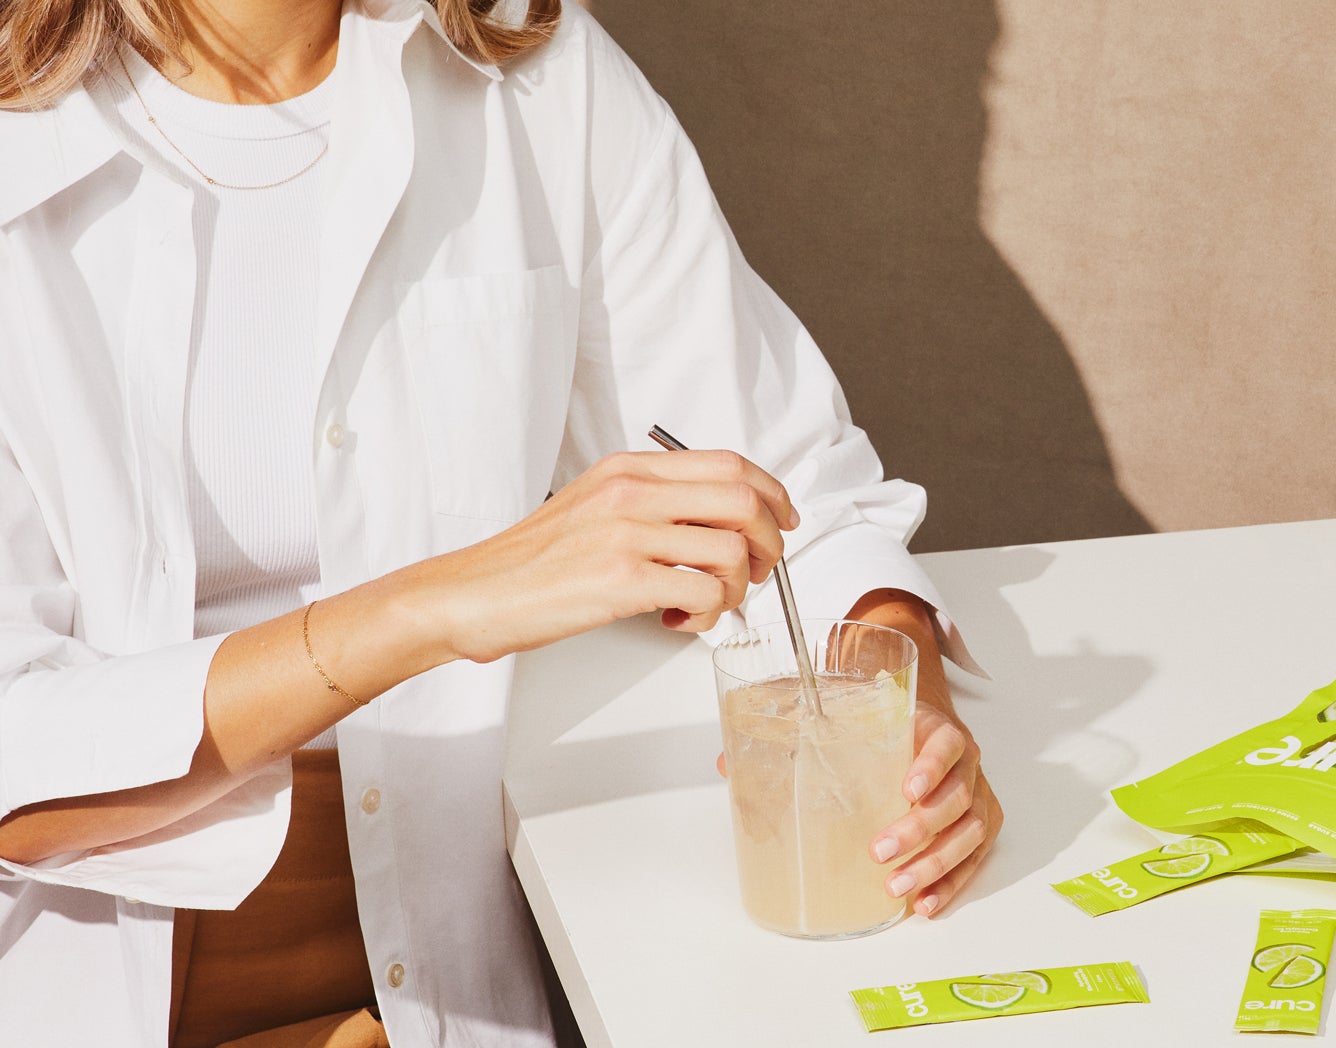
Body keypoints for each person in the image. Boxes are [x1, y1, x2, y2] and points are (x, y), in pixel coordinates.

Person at [0, 0, 1003, 1044]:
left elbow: (796, 493)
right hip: (99, 974)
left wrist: (910, 718)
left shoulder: (535, 64)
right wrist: (438, 604)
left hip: (489, 946)